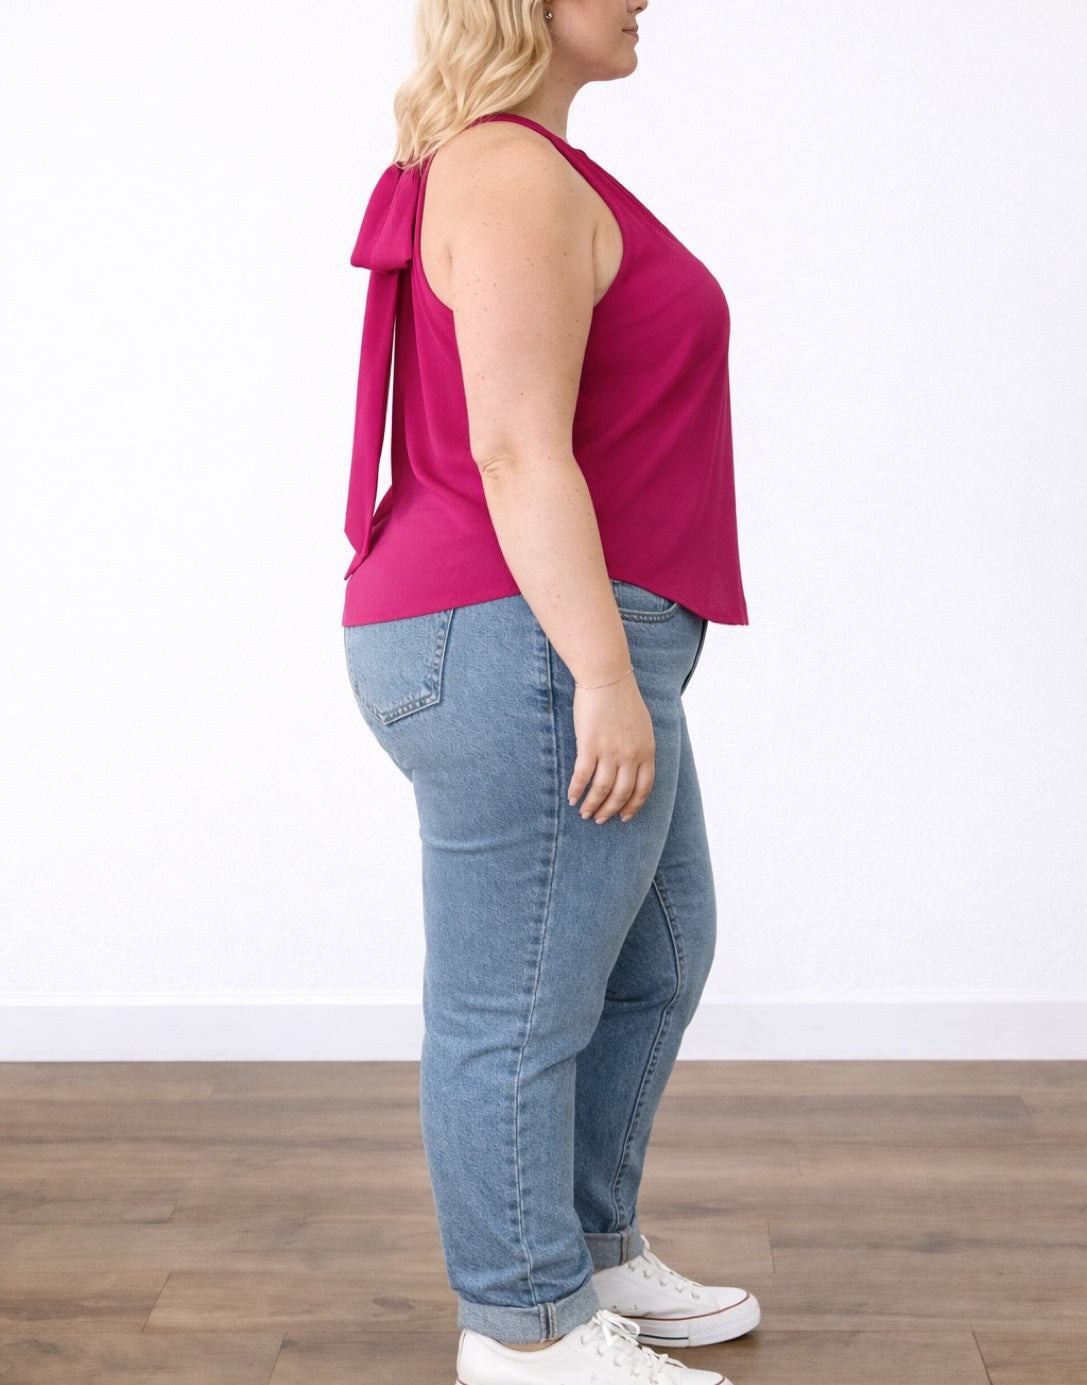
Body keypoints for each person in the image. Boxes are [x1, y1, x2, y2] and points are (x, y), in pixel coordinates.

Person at [341, 2, 754, 1381]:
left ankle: (583, 1249)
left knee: (659, 952)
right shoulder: (509, 171)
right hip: (524, 635)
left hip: (551, 629)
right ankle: (525, 1328)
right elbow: (519, 451)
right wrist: (597, 671)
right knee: (511, 1006)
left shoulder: (525, 164)